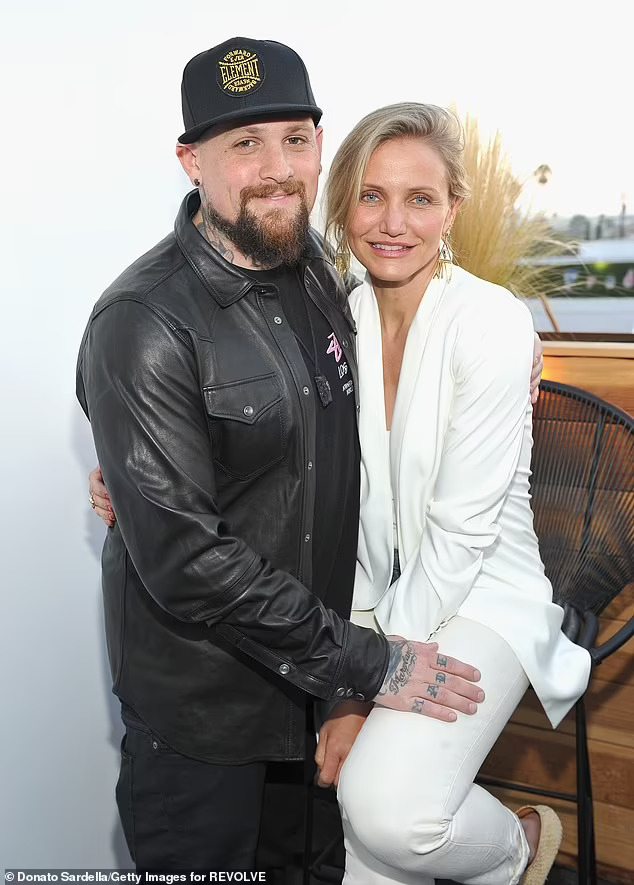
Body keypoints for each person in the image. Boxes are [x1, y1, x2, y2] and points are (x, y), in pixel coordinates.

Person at [78, 39, 516, 876]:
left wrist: (509, 354)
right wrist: (370, 664)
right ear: (192, 161)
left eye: (295, 138)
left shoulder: (317, 269)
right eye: (245, 143)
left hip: (314, 694)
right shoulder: (142, 320)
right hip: (209, 717)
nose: (277, 169)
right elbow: (188, 561)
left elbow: (401, 355)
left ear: (320, 144)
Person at [309, 103, 591, 885]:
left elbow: (460, 538)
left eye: (420, 198)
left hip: (485, 594)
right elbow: (326, 495)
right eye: (372, 195)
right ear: (345, 202)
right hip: (379, 599)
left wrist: (364, 681)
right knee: (369, 817)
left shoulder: (490, 324)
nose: (393, 222)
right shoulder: (336, 320)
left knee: (387, 810)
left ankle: (515, 848)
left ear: (452, 208)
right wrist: (143, 477)